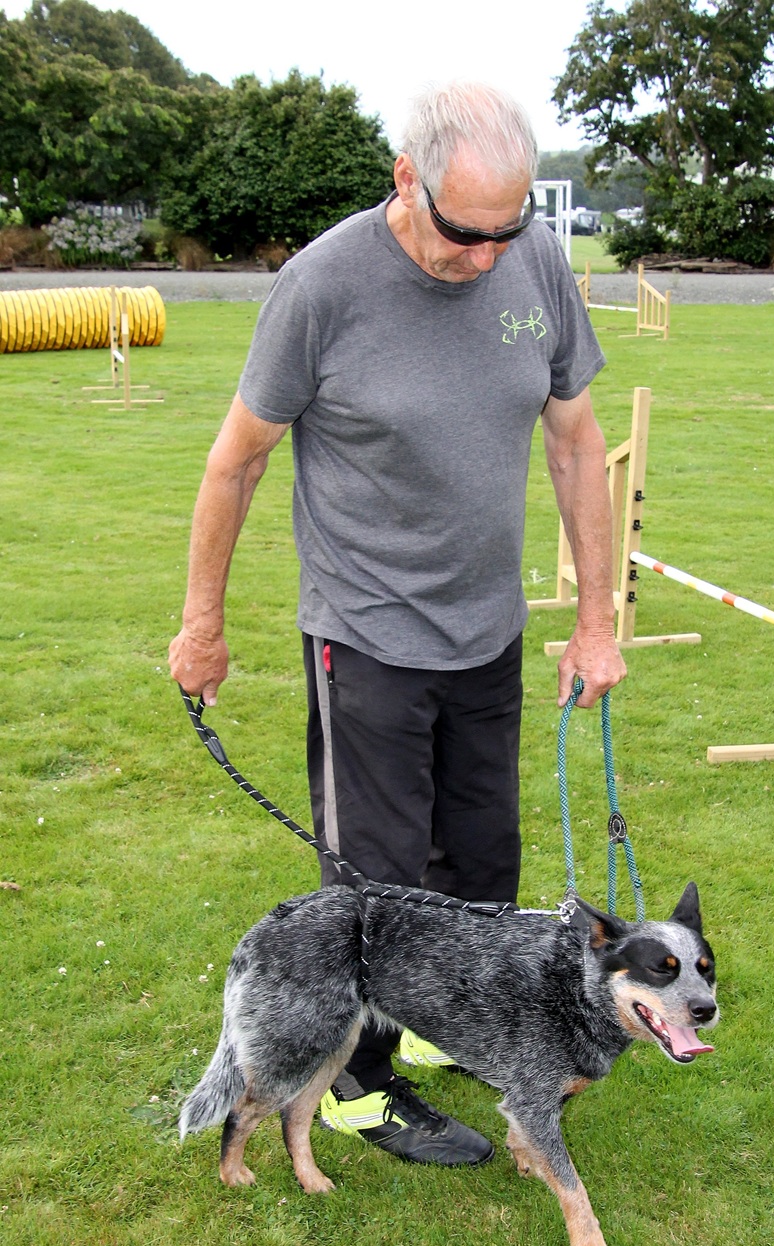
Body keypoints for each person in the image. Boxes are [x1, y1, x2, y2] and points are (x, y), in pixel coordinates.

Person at [169, 80, 625, 1169]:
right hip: (363, 636)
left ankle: (448, 1030)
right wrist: (202, 626)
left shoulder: (531, 260)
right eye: (466, 234)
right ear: (404, 180)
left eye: (506, 231)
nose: (487, 258)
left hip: (488, 629)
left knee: (480, 862)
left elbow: (574, 442)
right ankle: (354, 1090)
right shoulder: (320, 288)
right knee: (375, 885)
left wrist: (597, 620)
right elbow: (235, 460)